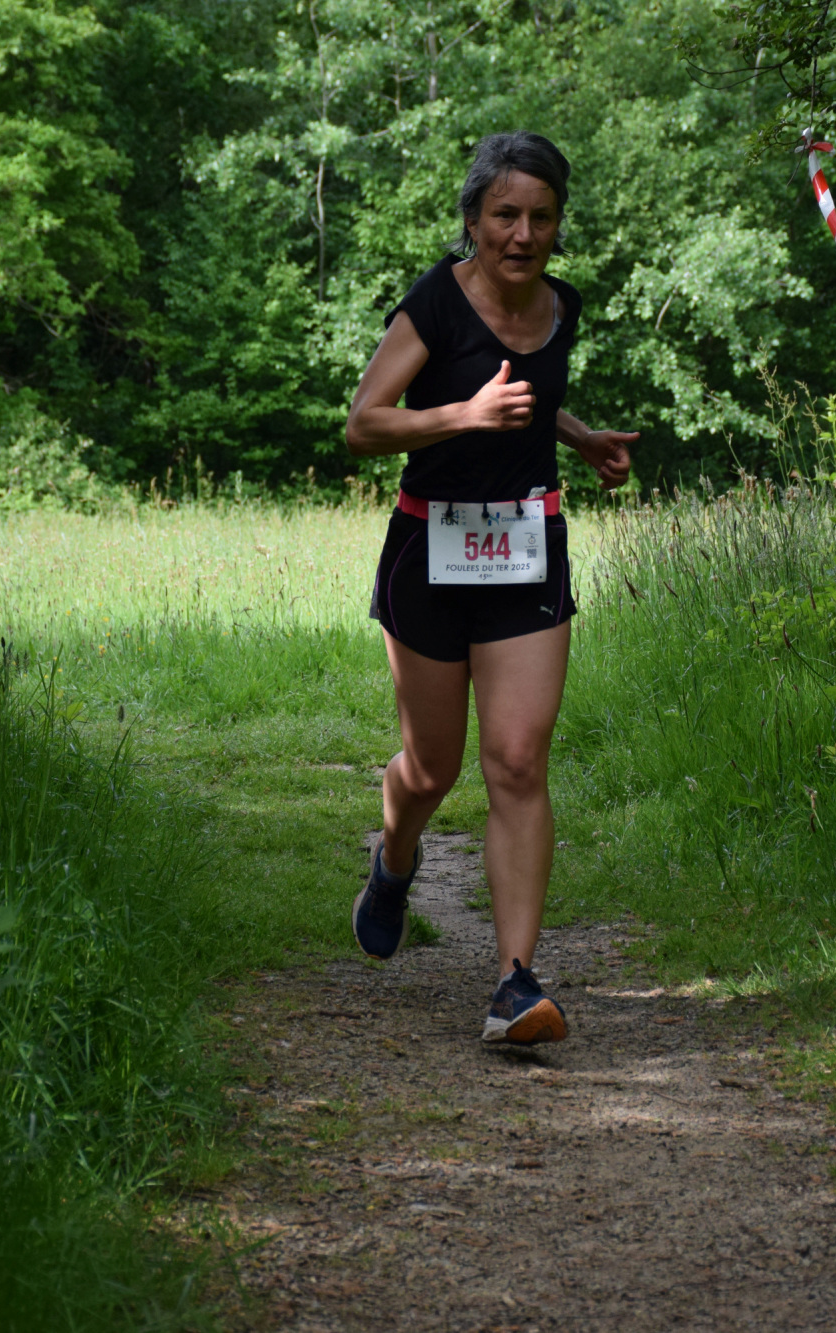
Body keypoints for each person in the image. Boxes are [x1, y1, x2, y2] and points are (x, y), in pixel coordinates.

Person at [343, 132, 637, 1046]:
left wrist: (581, 439)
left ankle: (515, 981)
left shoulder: (561, 307)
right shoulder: (436, 301)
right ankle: (395, 860)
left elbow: (531, 398)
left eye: (541, 217)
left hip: (525, 546)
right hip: (428, 549)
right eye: (505, 214)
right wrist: (463, 415)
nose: (523, 233)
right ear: (473, 218)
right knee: (430, 767)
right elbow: (364, 424)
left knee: (515, 760)